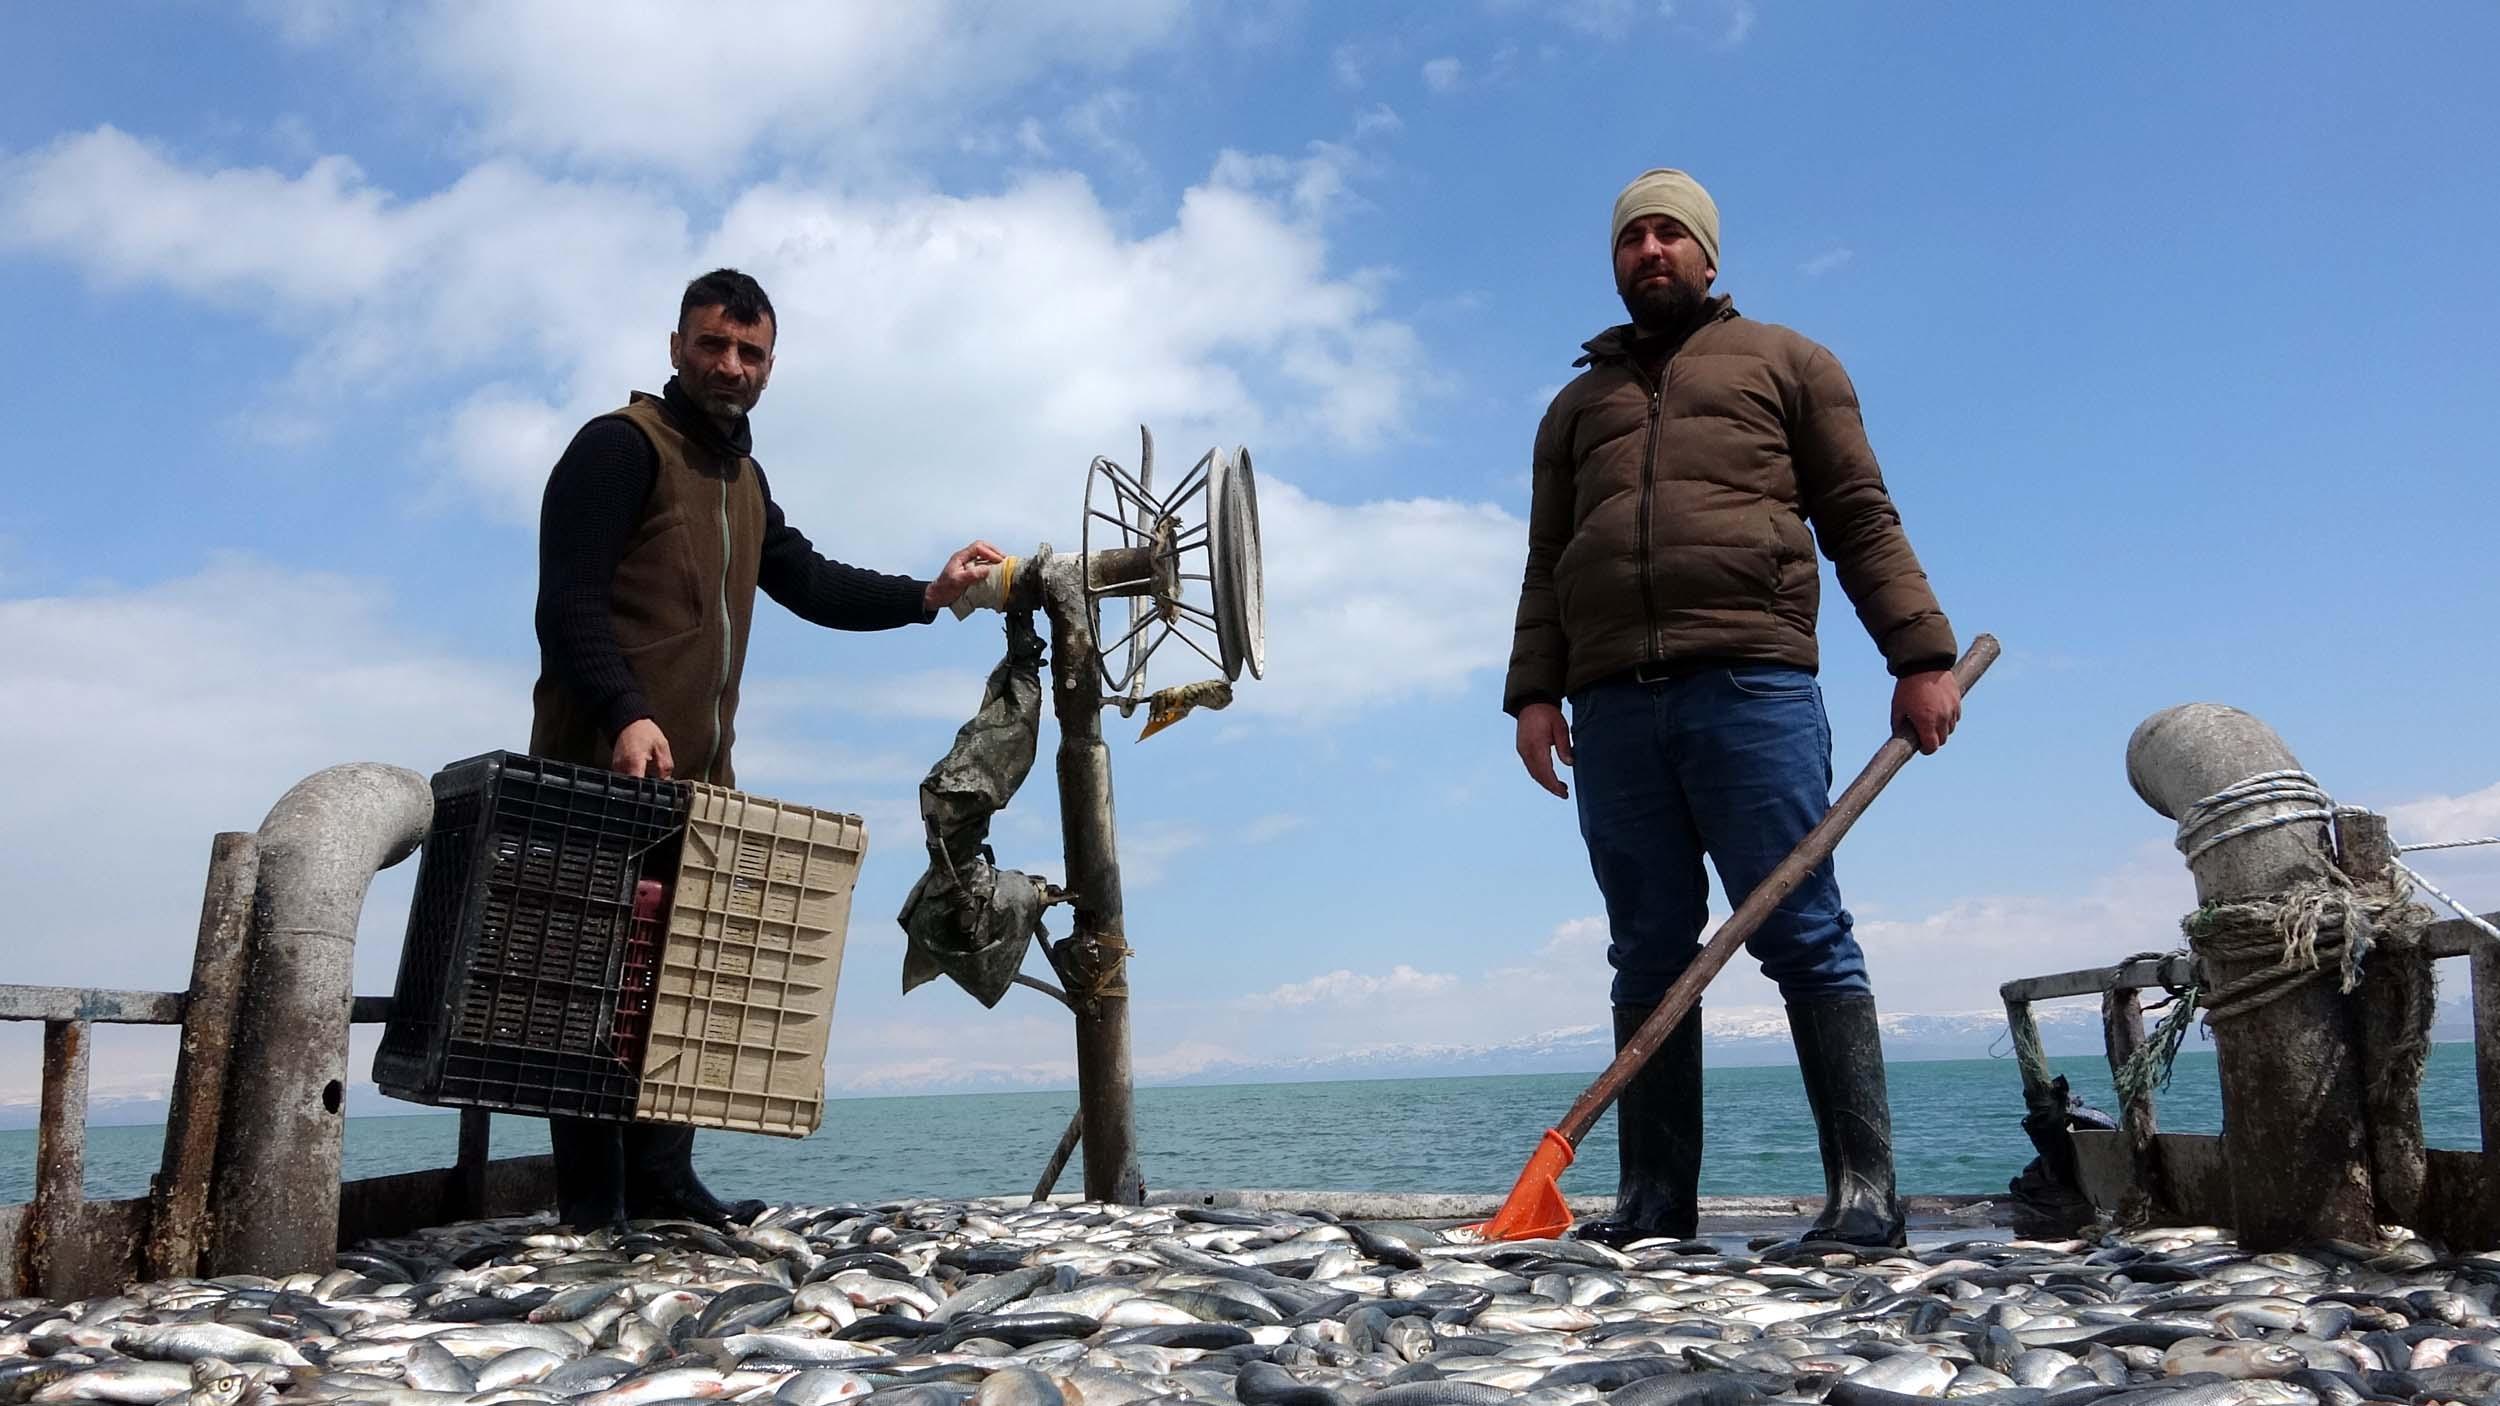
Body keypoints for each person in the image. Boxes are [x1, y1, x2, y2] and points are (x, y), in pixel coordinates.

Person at [1504, 170, 1962, 1249]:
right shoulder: (1574, 410)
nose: (1649, 251)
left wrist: (1920, 653)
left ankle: (1863, 1194)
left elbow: (1858, 512)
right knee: (1646, 950)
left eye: (1670, 235)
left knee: (1804, 932)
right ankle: (1655, 1202)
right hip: (1611, 705)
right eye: (1631, 238)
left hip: (1752, 685)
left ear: (1709, 256)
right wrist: (1533, 693)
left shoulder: (1789, 363)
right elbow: (1544, 563)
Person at [530, 267, 1002, 1229]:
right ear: (675, 349)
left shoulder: (743, 482)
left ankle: (662, 1184)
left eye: (750, 353)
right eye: (712, 345)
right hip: (597, 765)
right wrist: (624, 709)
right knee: (596, 985)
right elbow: (566, 601)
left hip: (699, 782)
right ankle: (592, 1207)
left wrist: (927, 593)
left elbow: (811, 581)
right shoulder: (619, 449)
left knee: (690, 980)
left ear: (771, 367)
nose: (730, 367)